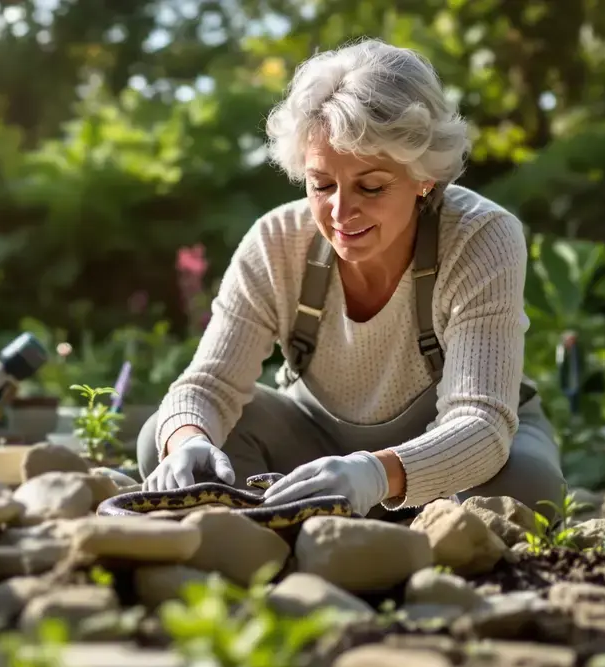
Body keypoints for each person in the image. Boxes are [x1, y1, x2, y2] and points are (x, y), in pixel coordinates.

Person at [135, 38, 566, 519]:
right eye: (321, 184)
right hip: (317, 446)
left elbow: (481, 422)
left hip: (453, 447)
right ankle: (306, 534)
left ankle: (383, 528)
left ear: (424, 176)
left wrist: (376, 474)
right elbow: (208, 386)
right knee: (164, 441)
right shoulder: (276, 241)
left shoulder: (480, 235)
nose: (341, 210)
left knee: (528, 491)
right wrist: (187, 440)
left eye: (371, 186)